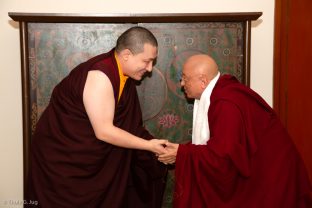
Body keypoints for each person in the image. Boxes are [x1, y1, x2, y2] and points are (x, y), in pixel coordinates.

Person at [26, 26, 168, 208]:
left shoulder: (123, 76)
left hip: (91, 157)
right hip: (64, 160)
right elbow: (104, 132)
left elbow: (129, 125)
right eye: (146, 61)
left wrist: (157, 149)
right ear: (126, 55)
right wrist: (148, 145)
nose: (149, 69)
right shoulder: (100, 76)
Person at [158, 54, 312, 207]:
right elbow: (222, 144)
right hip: (266, 171)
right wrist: (182, 151)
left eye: (185, 78)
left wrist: (182, 153)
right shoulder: (221, 93)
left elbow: (223, 159)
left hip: (274, 177)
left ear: (203, 81)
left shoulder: (226, 103)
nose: (181, 84)